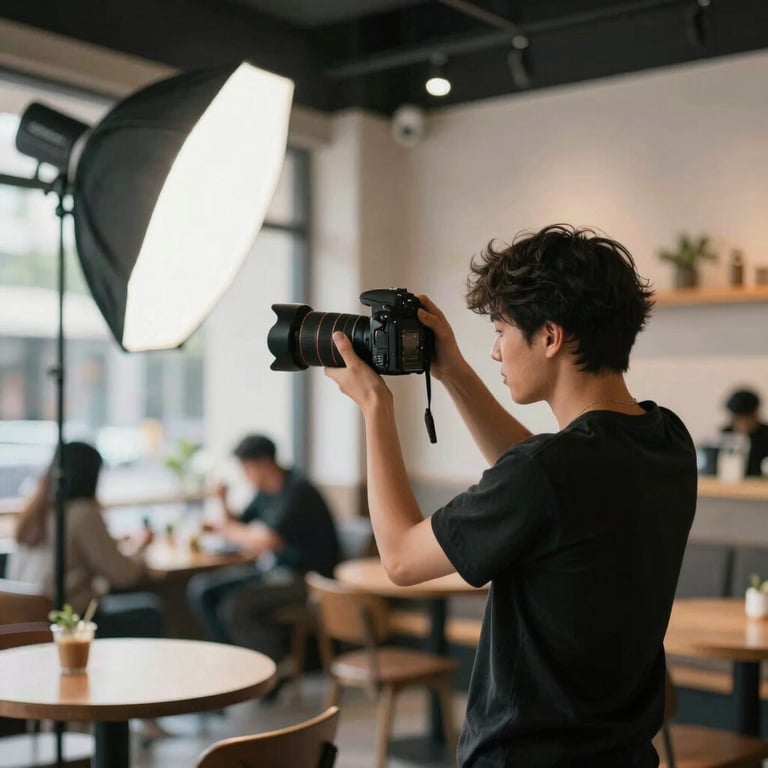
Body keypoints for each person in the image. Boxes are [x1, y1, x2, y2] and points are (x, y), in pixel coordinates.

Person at [325, 224, 697, 767]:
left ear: (549, 337)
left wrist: (375, 407)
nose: (496, 350)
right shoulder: (667, 439)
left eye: (500, 330)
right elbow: (543, 479)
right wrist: (452, 372)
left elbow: (401, 560)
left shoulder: (547, 472)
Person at [187, 434, 339, 663]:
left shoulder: (297, 491)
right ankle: (231, 661)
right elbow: (241, 525)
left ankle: (272, 670)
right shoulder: (265, 492)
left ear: (263, 463)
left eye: (245, 467)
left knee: (236, 606)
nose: (243, 474)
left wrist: (226, 528)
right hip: (274, 571)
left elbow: (267, 540)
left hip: (307, 579)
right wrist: (222, 501)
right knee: (203, 590)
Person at [8, 441, 165, 639]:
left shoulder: (34, 512)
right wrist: (141, 549)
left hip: (24, 620)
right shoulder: (82, 512)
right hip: (67, 623)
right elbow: (122, 575)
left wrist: (115, 543)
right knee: (151, 611)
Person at [721, 388, 768, 477]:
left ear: (756, 414)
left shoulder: (765, 435)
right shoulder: (724, 435)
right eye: (737, 419)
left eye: (746, 418)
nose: (741, 424)